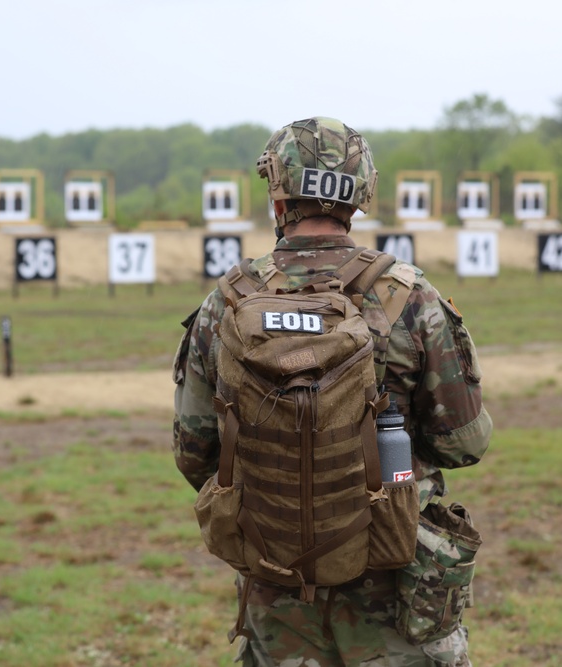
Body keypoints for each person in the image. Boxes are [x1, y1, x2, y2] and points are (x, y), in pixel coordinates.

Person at [172, 116, 492, 666]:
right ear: (359, 194)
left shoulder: (226, 302)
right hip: (396, 594)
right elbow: (463, 444)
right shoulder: (409, 298)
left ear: (279, 195)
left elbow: (193, 452)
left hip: (278, 600)